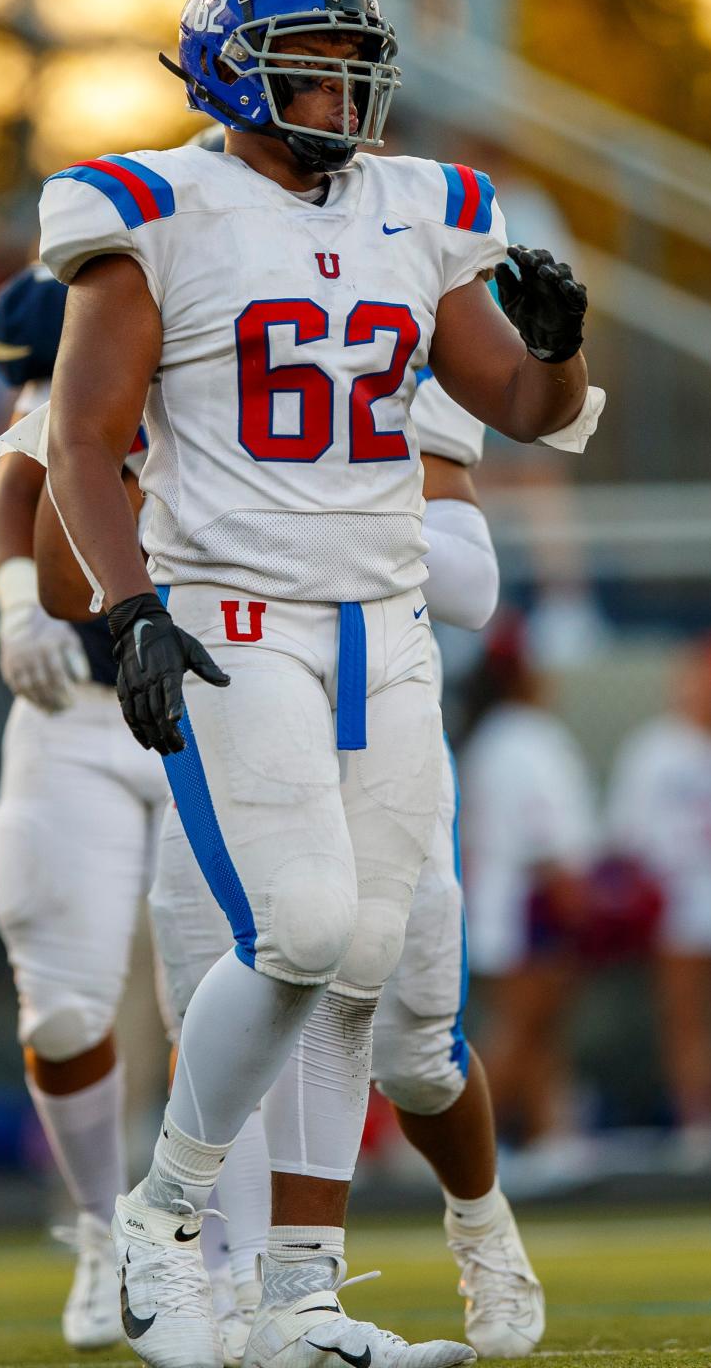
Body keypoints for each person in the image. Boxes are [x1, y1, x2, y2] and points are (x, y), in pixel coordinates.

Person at [1, 0, 601, 1365]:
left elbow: (516, 399)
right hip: (235, 619)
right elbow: (81, 443)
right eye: (313, 65)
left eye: (351, 65)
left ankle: (299, 1305)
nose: (342, 91)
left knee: (368, 952)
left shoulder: (417, 207)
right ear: (230, 66)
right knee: (309, 929)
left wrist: (564, 347)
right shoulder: (155, 202)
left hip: (382, 627)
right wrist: (129, 603)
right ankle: (160, 1222)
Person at [149, 366, 544, 1363]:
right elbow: (60, 499)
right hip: (235, 703)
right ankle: (245, 1286)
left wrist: (336, 522)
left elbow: (473, 585)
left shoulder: (401, 294)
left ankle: (481, 1222)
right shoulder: (182, 291)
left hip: (380, 720)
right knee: (240, 991)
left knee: (413, 1046)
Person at [0, 266, 169, 1350]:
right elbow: (14, 480)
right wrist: (20, 605)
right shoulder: (61, 397)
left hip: (219, 709)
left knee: (238, 997)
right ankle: (103, 1230)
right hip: (81, 718)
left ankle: (220, 1242)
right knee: (59, 1007)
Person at [606, 630, 711, 1160]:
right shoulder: (654, 749)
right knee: (686, 1012)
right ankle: (698, 1115)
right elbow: (626, 831)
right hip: (678, 897)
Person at [458, 615, 596, 1152]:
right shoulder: (525, 738)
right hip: (530, 909)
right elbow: (548, 845)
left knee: (535, 1036)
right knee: (519, 1034)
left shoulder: (492, 737)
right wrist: (578, 910)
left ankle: (548, 1136)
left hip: (500, 907)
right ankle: (463, 1149)